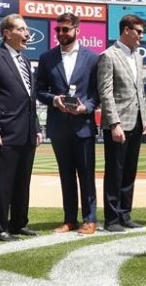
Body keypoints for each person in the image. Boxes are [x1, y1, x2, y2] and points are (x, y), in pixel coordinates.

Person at [35, 13, 100, 235]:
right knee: (66, 175)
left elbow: (96, 93)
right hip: (59, 126)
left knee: (86, 175)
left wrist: (86, 107)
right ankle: (70, 219)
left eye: (66, 29)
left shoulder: (92, 58)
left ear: (76, 30)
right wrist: (54, 100)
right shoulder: (46, 58)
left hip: (83, 125)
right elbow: (39, 90)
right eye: (58, 30)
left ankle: (90, 219)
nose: (61, 34)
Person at [0, 14, 42, 242]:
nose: (27, 34)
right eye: (22, 29)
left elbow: (30, 99)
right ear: (7, 32)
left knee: (21, 182)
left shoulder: (25, 61)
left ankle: (18, 223)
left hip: (26, 133)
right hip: (4, 132)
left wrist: (36, 127)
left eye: (27, 30)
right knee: (2, 183)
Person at [97, 14, 146, 233]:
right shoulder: (108, 56)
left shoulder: (138, 57)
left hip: (137, 122)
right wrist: (114, 123)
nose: (141, 36)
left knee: (129, 172)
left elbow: (140, 91)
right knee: (115, 172)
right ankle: (111, 219)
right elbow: (105, 92)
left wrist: (144, 118)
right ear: (126, 30)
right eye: (138, 31)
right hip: (119, 124)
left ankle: (125, 214)